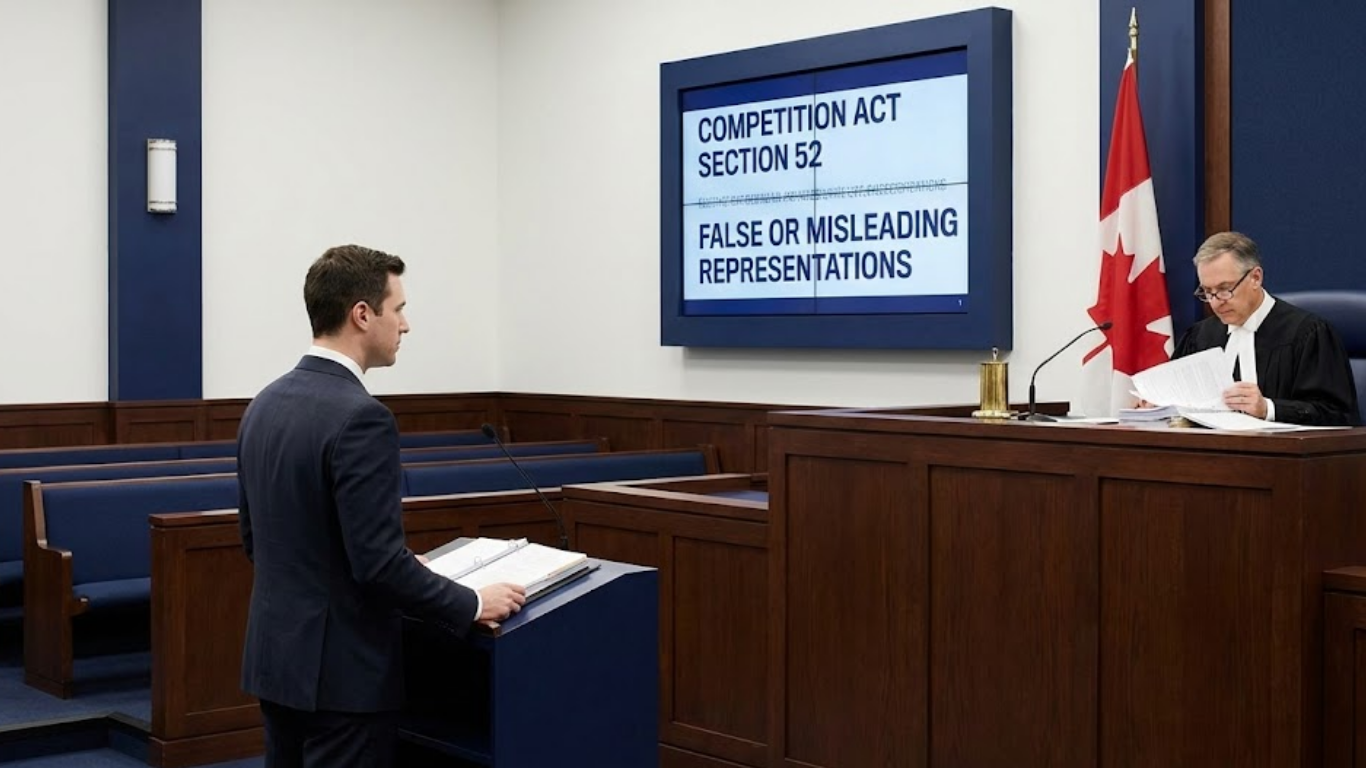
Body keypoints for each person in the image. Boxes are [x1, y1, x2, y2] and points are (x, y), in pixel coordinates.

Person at [237, 245, 526, 767]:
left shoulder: (264, 404)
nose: (407, 324)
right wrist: (471, 603)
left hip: (278, 660)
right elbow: (377, 566)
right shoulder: (361, 417)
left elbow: (257, 539)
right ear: (362, 314)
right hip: (343, 677)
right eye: (399, 308)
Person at [1173, 231, 1360, 426]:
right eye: (1208, 292)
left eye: (1225, 289)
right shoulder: (1199, 336)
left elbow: (1338, 415)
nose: (1216, 302)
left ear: (1255, 277)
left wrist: (1268, 408)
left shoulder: (1308, 334)